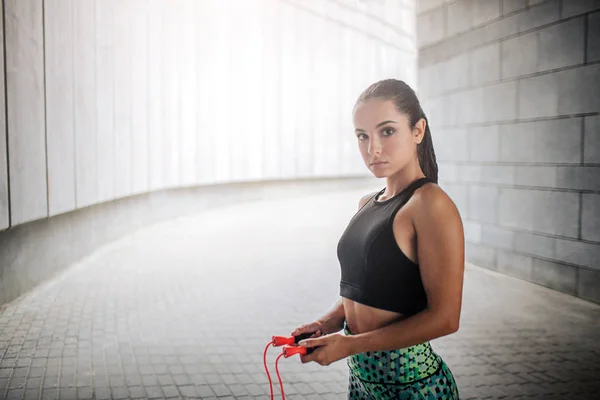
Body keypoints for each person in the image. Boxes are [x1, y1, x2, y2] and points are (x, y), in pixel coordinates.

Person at [290, 79, 464, 399]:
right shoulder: (367, 203)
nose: (373, 149)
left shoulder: (430, 204)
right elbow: (363, 289)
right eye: (362, 136)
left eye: (386, 131)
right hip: (362, 381)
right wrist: (325, 323)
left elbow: (446, 318)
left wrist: (350, 345)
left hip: (413, 387)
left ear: (418, 130)